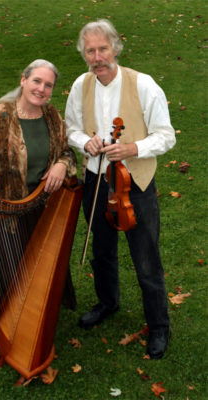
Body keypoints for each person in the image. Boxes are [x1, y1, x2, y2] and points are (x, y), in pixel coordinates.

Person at [65, 20, 176, 359]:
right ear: (84, 55)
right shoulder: (80, 85)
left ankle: (158, 325)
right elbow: (70, 128)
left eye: (102, 49)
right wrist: (87, 141)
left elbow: (166, 135)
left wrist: (132, 149)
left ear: (115, 48)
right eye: (90, 51)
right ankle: (107, 302)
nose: (97, 57)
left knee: (145, 258)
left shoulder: (143, 85)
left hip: (134, 183)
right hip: (97, 180)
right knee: (102, 250)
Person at [0, 59, 77, 352]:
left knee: (30, 261)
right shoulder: (1, 115)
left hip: (39, 204)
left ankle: (33, 305)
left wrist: (61, 166)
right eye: (36, 81)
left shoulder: (52, 117)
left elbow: (66, 151)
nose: (41, 89)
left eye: (48, 85)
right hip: (5, 208)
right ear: (24, 80)